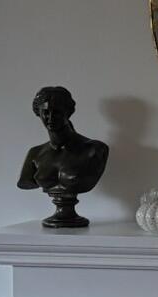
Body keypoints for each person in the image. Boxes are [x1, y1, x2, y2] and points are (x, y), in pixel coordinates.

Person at [17, 86, 108, 228]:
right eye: (45, 112)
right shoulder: (35, 154)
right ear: (38, 113)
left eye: (57, 112)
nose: (50, 118)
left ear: (68, 112)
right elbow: (24, 182)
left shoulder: (94, 150)